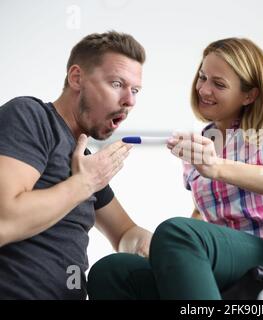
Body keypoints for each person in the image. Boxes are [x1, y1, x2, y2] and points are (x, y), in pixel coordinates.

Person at [87, 37, 263, 300]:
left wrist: (217, 167)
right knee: (113, 271)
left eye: (218, 84)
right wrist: (165, 250)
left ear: (248, 95)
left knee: (177, 233)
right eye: (202, 77)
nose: (203, 90)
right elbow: (201, 216)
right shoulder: (202, 143)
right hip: (224, 258)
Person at [0, 31, 152, 299]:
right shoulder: (30, 117)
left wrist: (156, 246)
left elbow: (125, 233)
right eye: (117, 84)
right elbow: (4, 220)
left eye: (135, 90)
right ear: (76, 78)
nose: (130, 101)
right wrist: (85, 183)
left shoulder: (85, 160)